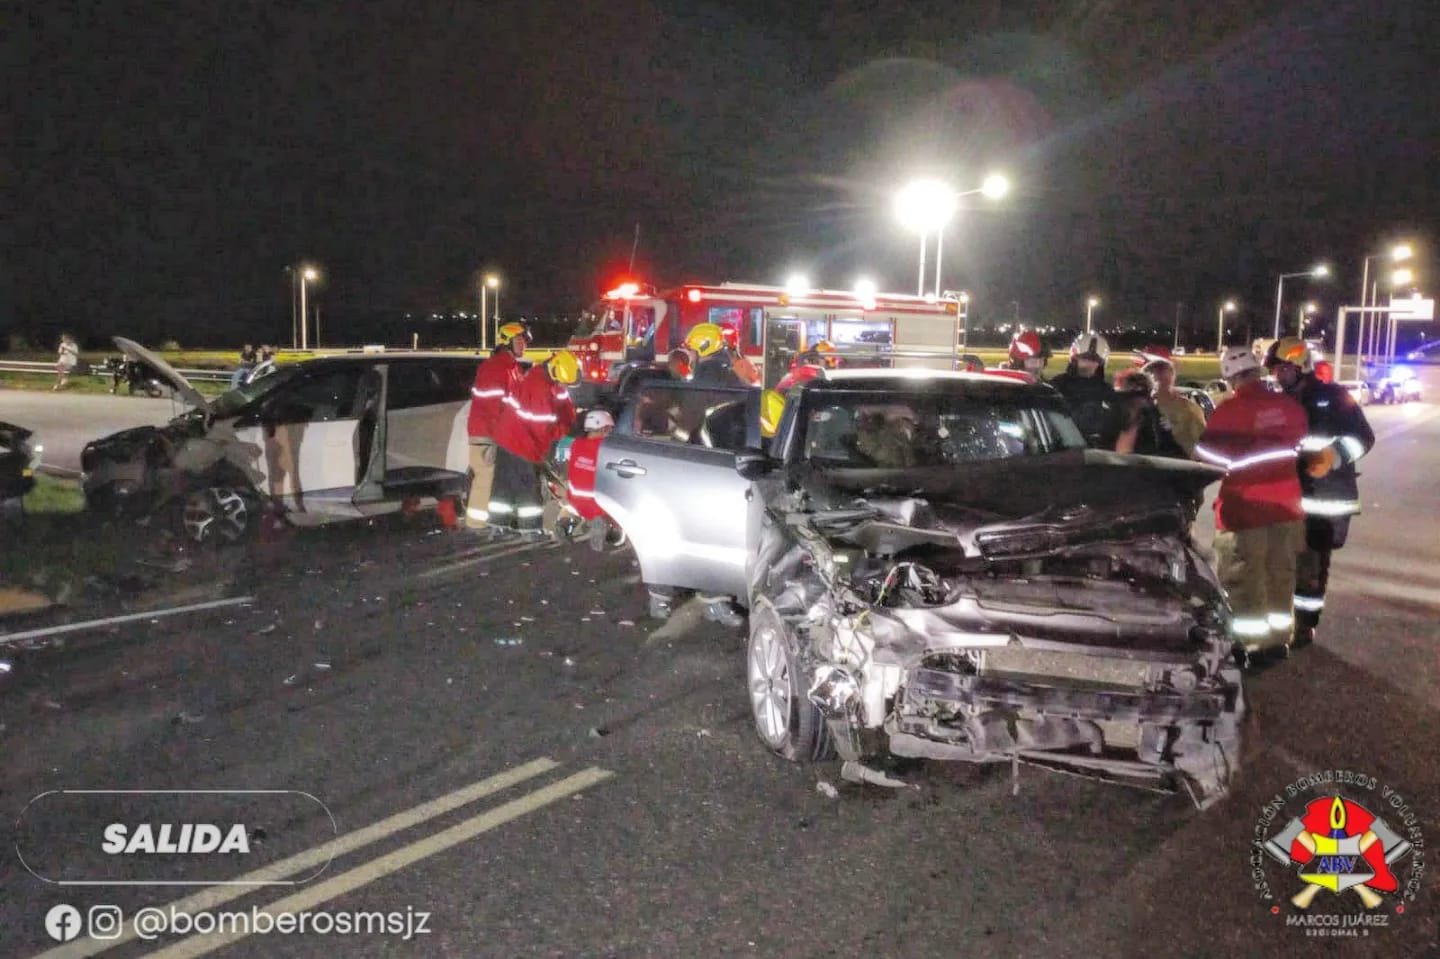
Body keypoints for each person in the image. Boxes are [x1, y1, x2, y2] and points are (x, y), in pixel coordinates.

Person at [1194, 346, 1309, 665]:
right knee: (1280, 574)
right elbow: (1297, 446)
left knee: (1244, 579)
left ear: (1230, 377)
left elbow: (1207, 457)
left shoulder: (1230, 411)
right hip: (1287, 507)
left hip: (1245, 509)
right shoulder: (1289, 408)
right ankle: (1278, 642)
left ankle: (1250, 646)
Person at [1264, 336, 1375, 648]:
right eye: (1275, 369)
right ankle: (1281, 623)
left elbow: (1363, 437)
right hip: (1287, 498)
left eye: (1283, 368)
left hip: (1323, 500)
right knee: (1281, 563)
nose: (1277, 375)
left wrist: (1333, 456)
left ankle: (1304, 626)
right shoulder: (1280, 402)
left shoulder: (1333, 397)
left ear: (1300, 365)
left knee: (1311, 568)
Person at [492, 349, 579, 536]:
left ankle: (498, 525)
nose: (563, 384)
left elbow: (563, 402)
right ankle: (530, 529)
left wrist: (570, 419)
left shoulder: (544, 374)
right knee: (528, 487)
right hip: (521, 442)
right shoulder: (539, 388)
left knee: (503, 485)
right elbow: (543, 430)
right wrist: (565, 429)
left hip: (506, 437)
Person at [464, 321, 529, 533]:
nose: (523, 344)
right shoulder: (496, 368)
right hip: (487, 435)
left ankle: (491, 524)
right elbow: (494, 408)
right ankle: (475, 526)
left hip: (498, 435)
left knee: (497, 481)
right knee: (485, 479)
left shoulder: (512, 368)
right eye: (519, 340)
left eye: (523, 340)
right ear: (506, 342)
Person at [1049, 333, 1124, 449]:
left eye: (1095, 360)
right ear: (1074, 359)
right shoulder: (1057, 386)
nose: (1089, 364)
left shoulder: (1107, 391)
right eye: (1085, 358)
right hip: (1063, 449)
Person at [1143, 356, 1207, 458]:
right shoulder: (1140, 408)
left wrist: (1175, 430)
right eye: (1152, 373)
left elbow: (1202, 446)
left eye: (1161, 372)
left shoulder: (1189, 409)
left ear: (1172, 377)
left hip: (1178, 466)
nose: (1156, 377)